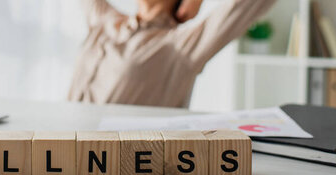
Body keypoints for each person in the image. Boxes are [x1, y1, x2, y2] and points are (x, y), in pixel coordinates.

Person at [68, 0, 276, 108]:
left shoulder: (181, 46)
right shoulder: (104, 20)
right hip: (59, 151)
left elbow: (247, 5)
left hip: (114, 168)